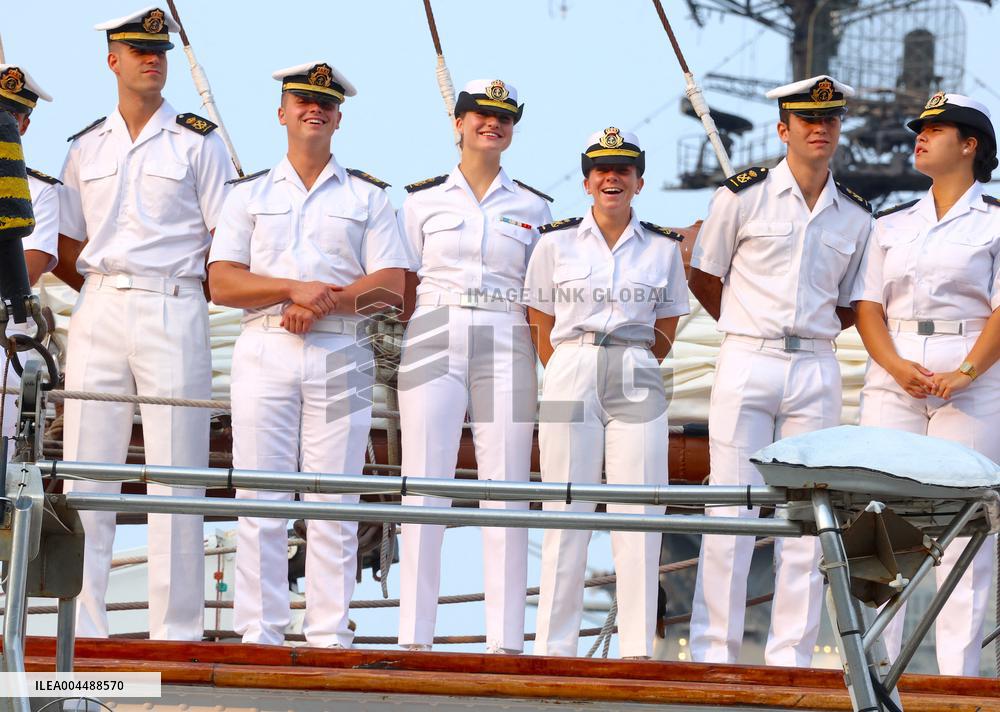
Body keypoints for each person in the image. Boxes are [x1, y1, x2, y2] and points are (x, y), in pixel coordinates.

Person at [208, 61, 409, 648]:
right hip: (265, 344)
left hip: (341, 347)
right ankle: (260, 631)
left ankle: (328, 633)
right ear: (282, 113)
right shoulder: (247, 195)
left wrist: (320, 304)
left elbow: (392, 288)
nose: (314, 109)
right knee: (259, 494)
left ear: (339, 118)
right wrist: (292, 291)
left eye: (325, 103)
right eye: (303, 101)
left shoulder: (369, 197)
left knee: (335, 497)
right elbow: (221, 282)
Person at [56, 7, 236, 640]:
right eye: (139, 50)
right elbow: (67, 241)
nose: (153, 58)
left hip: (173, 302)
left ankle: (176, 632)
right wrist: (102, 290)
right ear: (113, 60)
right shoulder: (85, 146)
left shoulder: (199, 142)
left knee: (177, 473)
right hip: (100, 303)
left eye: (159, 50)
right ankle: (81, 628)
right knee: (86, 472)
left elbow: (226, 239)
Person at [687, 75, 873, 666]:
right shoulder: (742, 196)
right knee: (731, 505)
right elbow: (704, 273)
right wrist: (745, 325)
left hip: (815, 366)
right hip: (748, 357)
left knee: (810, 515)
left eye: (830, 119)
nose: (821, 128)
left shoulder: (855, 215)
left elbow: (852, 302)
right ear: (783, 130)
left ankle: (792, 656)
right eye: (808, 120)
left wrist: (811, 335)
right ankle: (714, 653)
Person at [396, 79, 552, 653]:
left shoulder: (535, 208)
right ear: (458, 122)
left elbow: (543, 292)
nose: (493, 123)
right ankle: (414, 639)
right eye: (481, 114)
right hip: (435, 327)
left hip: (507, 331)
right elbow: (402, 281)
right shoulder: (421, 201)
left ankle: (505, 643)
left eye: (504, 117)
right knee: (424, 485)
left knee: (507, 487)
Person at [525, 128, 688, 658]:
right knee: (564, 506)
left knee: (640, 510)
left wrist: (635, 362)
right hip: (571, 361)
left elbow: (668, 319)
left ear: (640, 181)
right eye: (601, 170)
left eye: (623, 169)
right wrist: (565, 365)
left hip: (636, 363)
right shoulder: (554, 243)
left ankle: (637, 649)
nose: (611, 178)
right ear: (587, 182)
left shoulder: (663, 247)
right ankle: (554, 650)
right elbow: (539, 314)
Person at [852, 92, 1000, 677]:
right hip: (895, 372)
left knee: (964, 522)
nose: (921, 136)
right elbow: (867, 305)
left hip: (972, 377)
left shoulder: (996, 220)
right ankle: (875, 669)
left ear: (969, 146)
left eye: (936, 130)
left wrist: (965, 372)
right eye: (922, 129)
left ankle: (957, 678)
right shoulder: (890, 223)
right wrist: (894, 366)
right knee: (879, 518)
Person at [0, 64, 58, 459]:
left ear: (24, 125)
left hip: (5, 329)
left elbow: (31, 265)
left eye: (11, 114)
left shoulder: (39, 191)